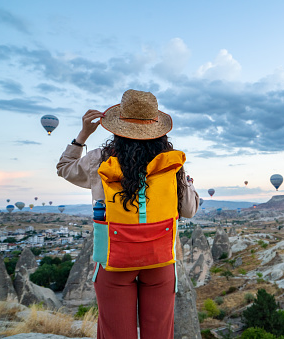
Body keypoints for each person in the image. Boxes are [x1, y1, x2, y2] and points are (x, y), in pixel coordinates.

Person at [57, 89, 199, 339]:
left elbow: (64, 168)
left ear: (117, 127)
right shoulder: (171, 162)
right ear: (158, 129)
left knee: (116, 333)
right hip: (160, 259)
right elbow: (188, 210)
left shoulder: (99, 159)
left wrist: (83, 136)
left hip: (113, 258)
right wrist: (187, 181)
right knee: (159, 332)